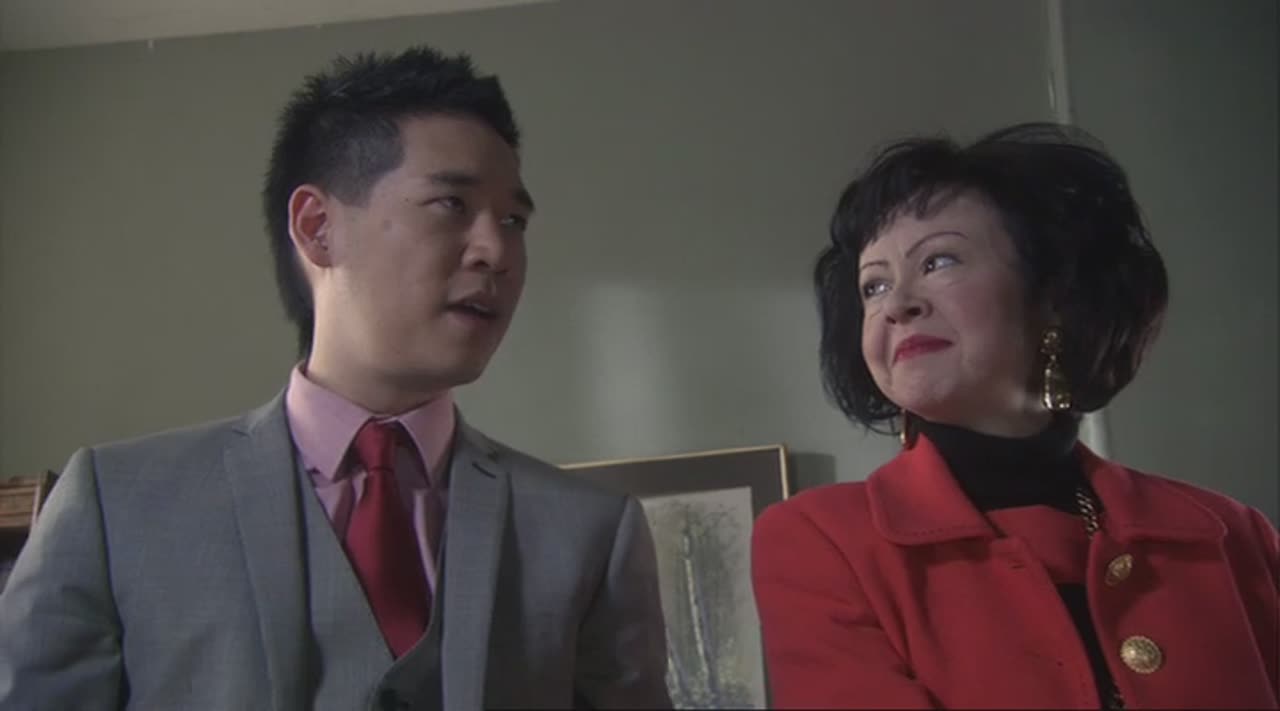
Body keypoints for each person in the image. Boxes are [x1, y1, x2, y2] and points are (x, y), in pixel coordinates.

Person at [0, 46, 671, 711]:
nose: (496, 250)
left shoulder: (589, 532)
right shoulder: (116, 510)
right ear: (318, 228)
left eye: (513, 220)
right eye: (450, 204)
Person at [751, 122, 1279, 709]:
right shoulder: (818, 542)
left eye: (938, 261)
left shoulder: (1234, 535)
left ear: (1053, 296)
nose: (897, 304)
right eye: (873, 287)